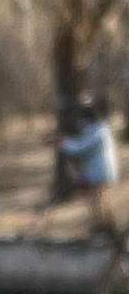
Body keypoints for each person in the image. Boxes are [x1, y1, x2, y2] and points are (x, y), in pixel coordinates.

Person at [59, 96, 119, 229]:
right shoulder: (96, 130)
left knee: (99, 201)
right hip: (97, 172)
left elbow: (82, 147)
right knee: (97, 201)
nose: (80, 123)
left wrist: (65, 143)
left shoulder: (98, 132)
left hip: (101, 172)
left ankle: (105, 227)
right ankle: (105, 226)